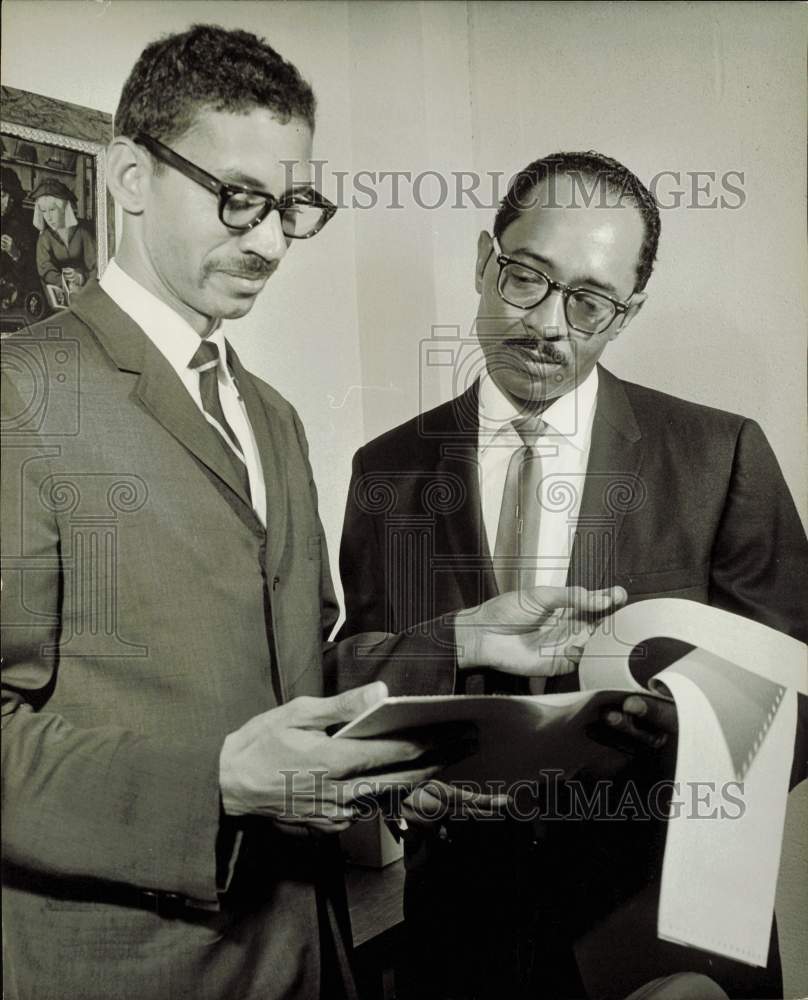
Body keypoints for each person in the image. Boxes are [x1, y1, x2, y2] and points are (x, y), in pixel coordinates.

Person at [0, 29, 628, 1000]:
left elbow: (302, 673)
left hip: (307, 954)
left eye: (293, 206)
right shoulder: (22, 397)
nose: (267, 241)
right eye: (236, 197)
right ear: (127, 175)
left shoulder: (270, 417)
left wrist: (453, 638)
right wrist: (213, 780)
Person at [338, 151, 808, 998]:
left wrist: (678, 736)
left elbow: (797, 698)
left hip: (663, 939)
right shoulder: (388, 469)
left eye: (590, 301)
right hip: (462, 940)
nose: (549, 324)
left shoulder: (720, 453)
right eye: (526, 278)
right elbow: (357, 670)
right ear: (485, 263)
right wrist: (400, 791)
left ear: (626, 315)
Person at [30, 176, 97, 301]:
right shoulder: (45, 238)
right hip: (60, 291)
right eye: (44, 211)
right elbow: (45, 269)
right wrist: (64, 282)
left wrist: (80, 278)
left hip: (87, 288)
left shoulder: (82, 232)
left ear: (63, 208)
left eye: (52, 210)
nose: (48, 217)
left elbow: (96, 264)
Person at [0, 165, 41, 319]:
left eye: (11, 198)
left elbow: (32, 275)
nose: (6, 204)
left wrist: (16, 254)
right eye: (2, 195)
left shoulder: (20, 227)